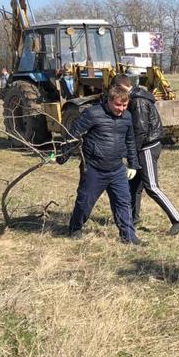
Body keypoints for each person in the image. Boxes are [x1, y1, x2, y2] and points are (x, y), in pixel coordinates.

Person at [61, 82, 142, 244]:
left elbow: (130, 141)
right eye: (118, 105)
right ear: (109, 101)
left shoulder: (127, 117)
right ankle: (75, 228)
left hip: (117, 169)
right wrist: (62, 155)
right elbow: (73, 135)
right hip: (94, 168)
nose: (121, 109)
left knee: (123, 202)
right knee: (85, 202)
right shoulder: (93, 114)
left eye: (125, 105)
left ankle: (129, 237)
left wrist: (133, 164)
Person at [113, 74, 179, 236]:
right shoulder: (137, 97)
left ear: (122, 87)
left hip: (147, 147)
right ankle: (133, 218)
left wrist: (131, 153)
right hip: (143, 147)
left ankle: (178, 220)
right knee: (134, 186)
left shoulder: (138, 101)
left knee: (152, 186)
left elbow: (140, 131)